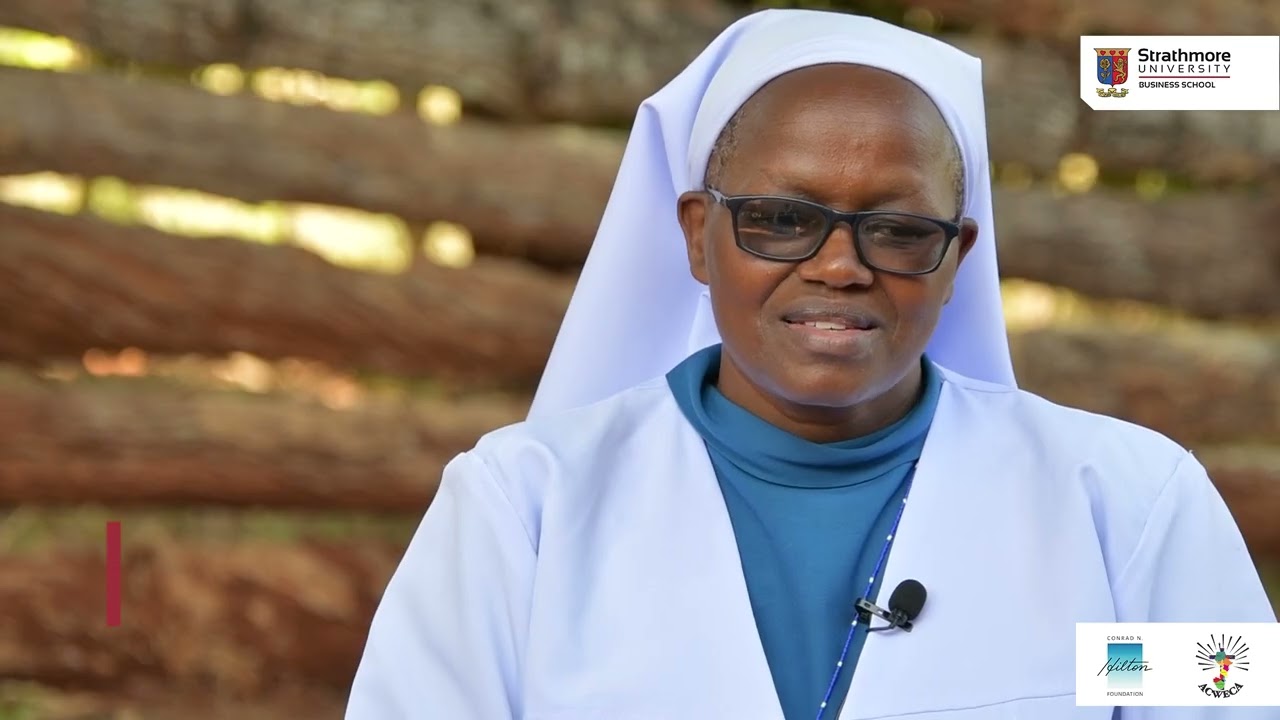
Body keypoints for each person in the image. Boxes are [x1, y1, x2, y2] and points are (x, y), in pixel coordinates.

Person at [344, 9, 1275, 720]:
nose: (840, 265)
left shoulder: (1130, 503)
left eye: (898, 229)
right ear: (700, 237)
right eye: (782, 219)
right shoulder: (522, 507)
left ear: (956, 256)